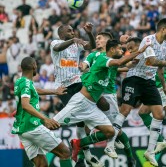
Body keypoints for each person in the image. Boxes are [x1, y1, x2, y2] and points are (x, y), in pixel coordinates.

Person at [104, 18, 166, 167]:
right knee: (125, 110)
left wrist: (165, 87)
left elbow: (159, 68)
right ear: (162, 29)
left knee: (159, 114)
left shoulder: (165, 46)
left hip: (149, 81)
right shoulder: (148, 40)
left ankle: (150, 151)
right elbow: (153, 61)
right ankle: (110, 144)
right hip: (134, 78)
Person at [53, 39, 149, 163]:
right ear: (112, 49)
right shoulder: (103, 58)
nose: (122, 50)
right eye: (120, 48)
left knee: (111, 131)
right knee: (52, 124)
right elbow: (119, 61)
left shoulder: (111, 62)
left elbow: (124, 65)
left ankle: (80, 144)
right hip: (81, 102)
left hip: (93, 104)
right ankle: (35, 130)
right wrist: (140, 51)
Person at [81, 34, 136, 167]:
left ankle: (130, 157)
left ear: (108, 42)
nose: (97, 40)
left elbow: (125, 63)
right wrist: (87, 70)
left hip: (108, 94)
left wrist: (125, 46)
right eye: (97, 38)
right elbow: (83, 67)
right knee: (87, 126)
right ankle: (85, 152)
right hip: (92, 94)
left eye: (100, 38)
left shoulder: (113, 54)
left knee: (115, 129)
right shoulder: (93, 55)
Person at [50, 23, 99, 167]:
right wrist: (73, 40)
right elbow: (57, 48)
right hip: (63, 87)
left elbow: (91, 46)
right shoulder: (56, 42)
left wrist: (89, 33)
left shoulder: (76, 44)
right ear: (61, 33)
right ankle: (81, 153)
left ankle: (82, 155)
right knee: (79, 118)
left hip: (77, 82)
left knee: (84, 119)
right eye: (69, 31)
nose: (73, 32)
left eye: (73, 31)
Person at [11, 57, 72, 167]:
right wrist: (45, 119)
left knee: (41, 164)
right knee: (65, 152)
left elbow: (34, 90)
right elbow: (25, 105)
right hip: (32, 126)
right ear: (34, 66)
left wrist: (55, 91)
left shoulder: (20, 81)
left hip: (22, 130)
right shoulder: (26, 83)